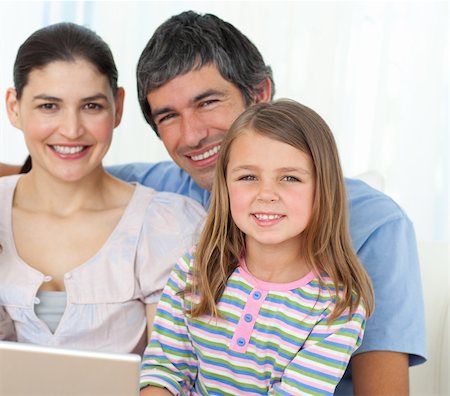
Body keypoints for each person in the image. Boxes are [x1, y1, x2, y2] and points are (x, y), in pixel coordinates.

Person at [107, 11, 426, 394]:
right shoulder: (164, 192)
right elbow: (70, 174)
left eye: (207, 102)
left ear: (259, 93)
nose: (191, 136)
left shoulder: (375, 226)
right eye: (169, 116)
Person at [140, 99, 375, 395]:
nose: (266, 194)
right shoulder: (195, 269)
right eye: (248, 177)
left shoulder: (337, 306)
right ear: (226, 186)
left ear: (322, 188)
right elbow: (165, 369)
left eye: (289, 178)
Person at [0, 22, 205, 355]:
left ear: (118, 107)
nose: (71, 129)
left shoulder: (167, 226)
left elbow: (172, 374)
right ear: (14, 107)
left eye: (91, 106)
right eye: (49, 106)